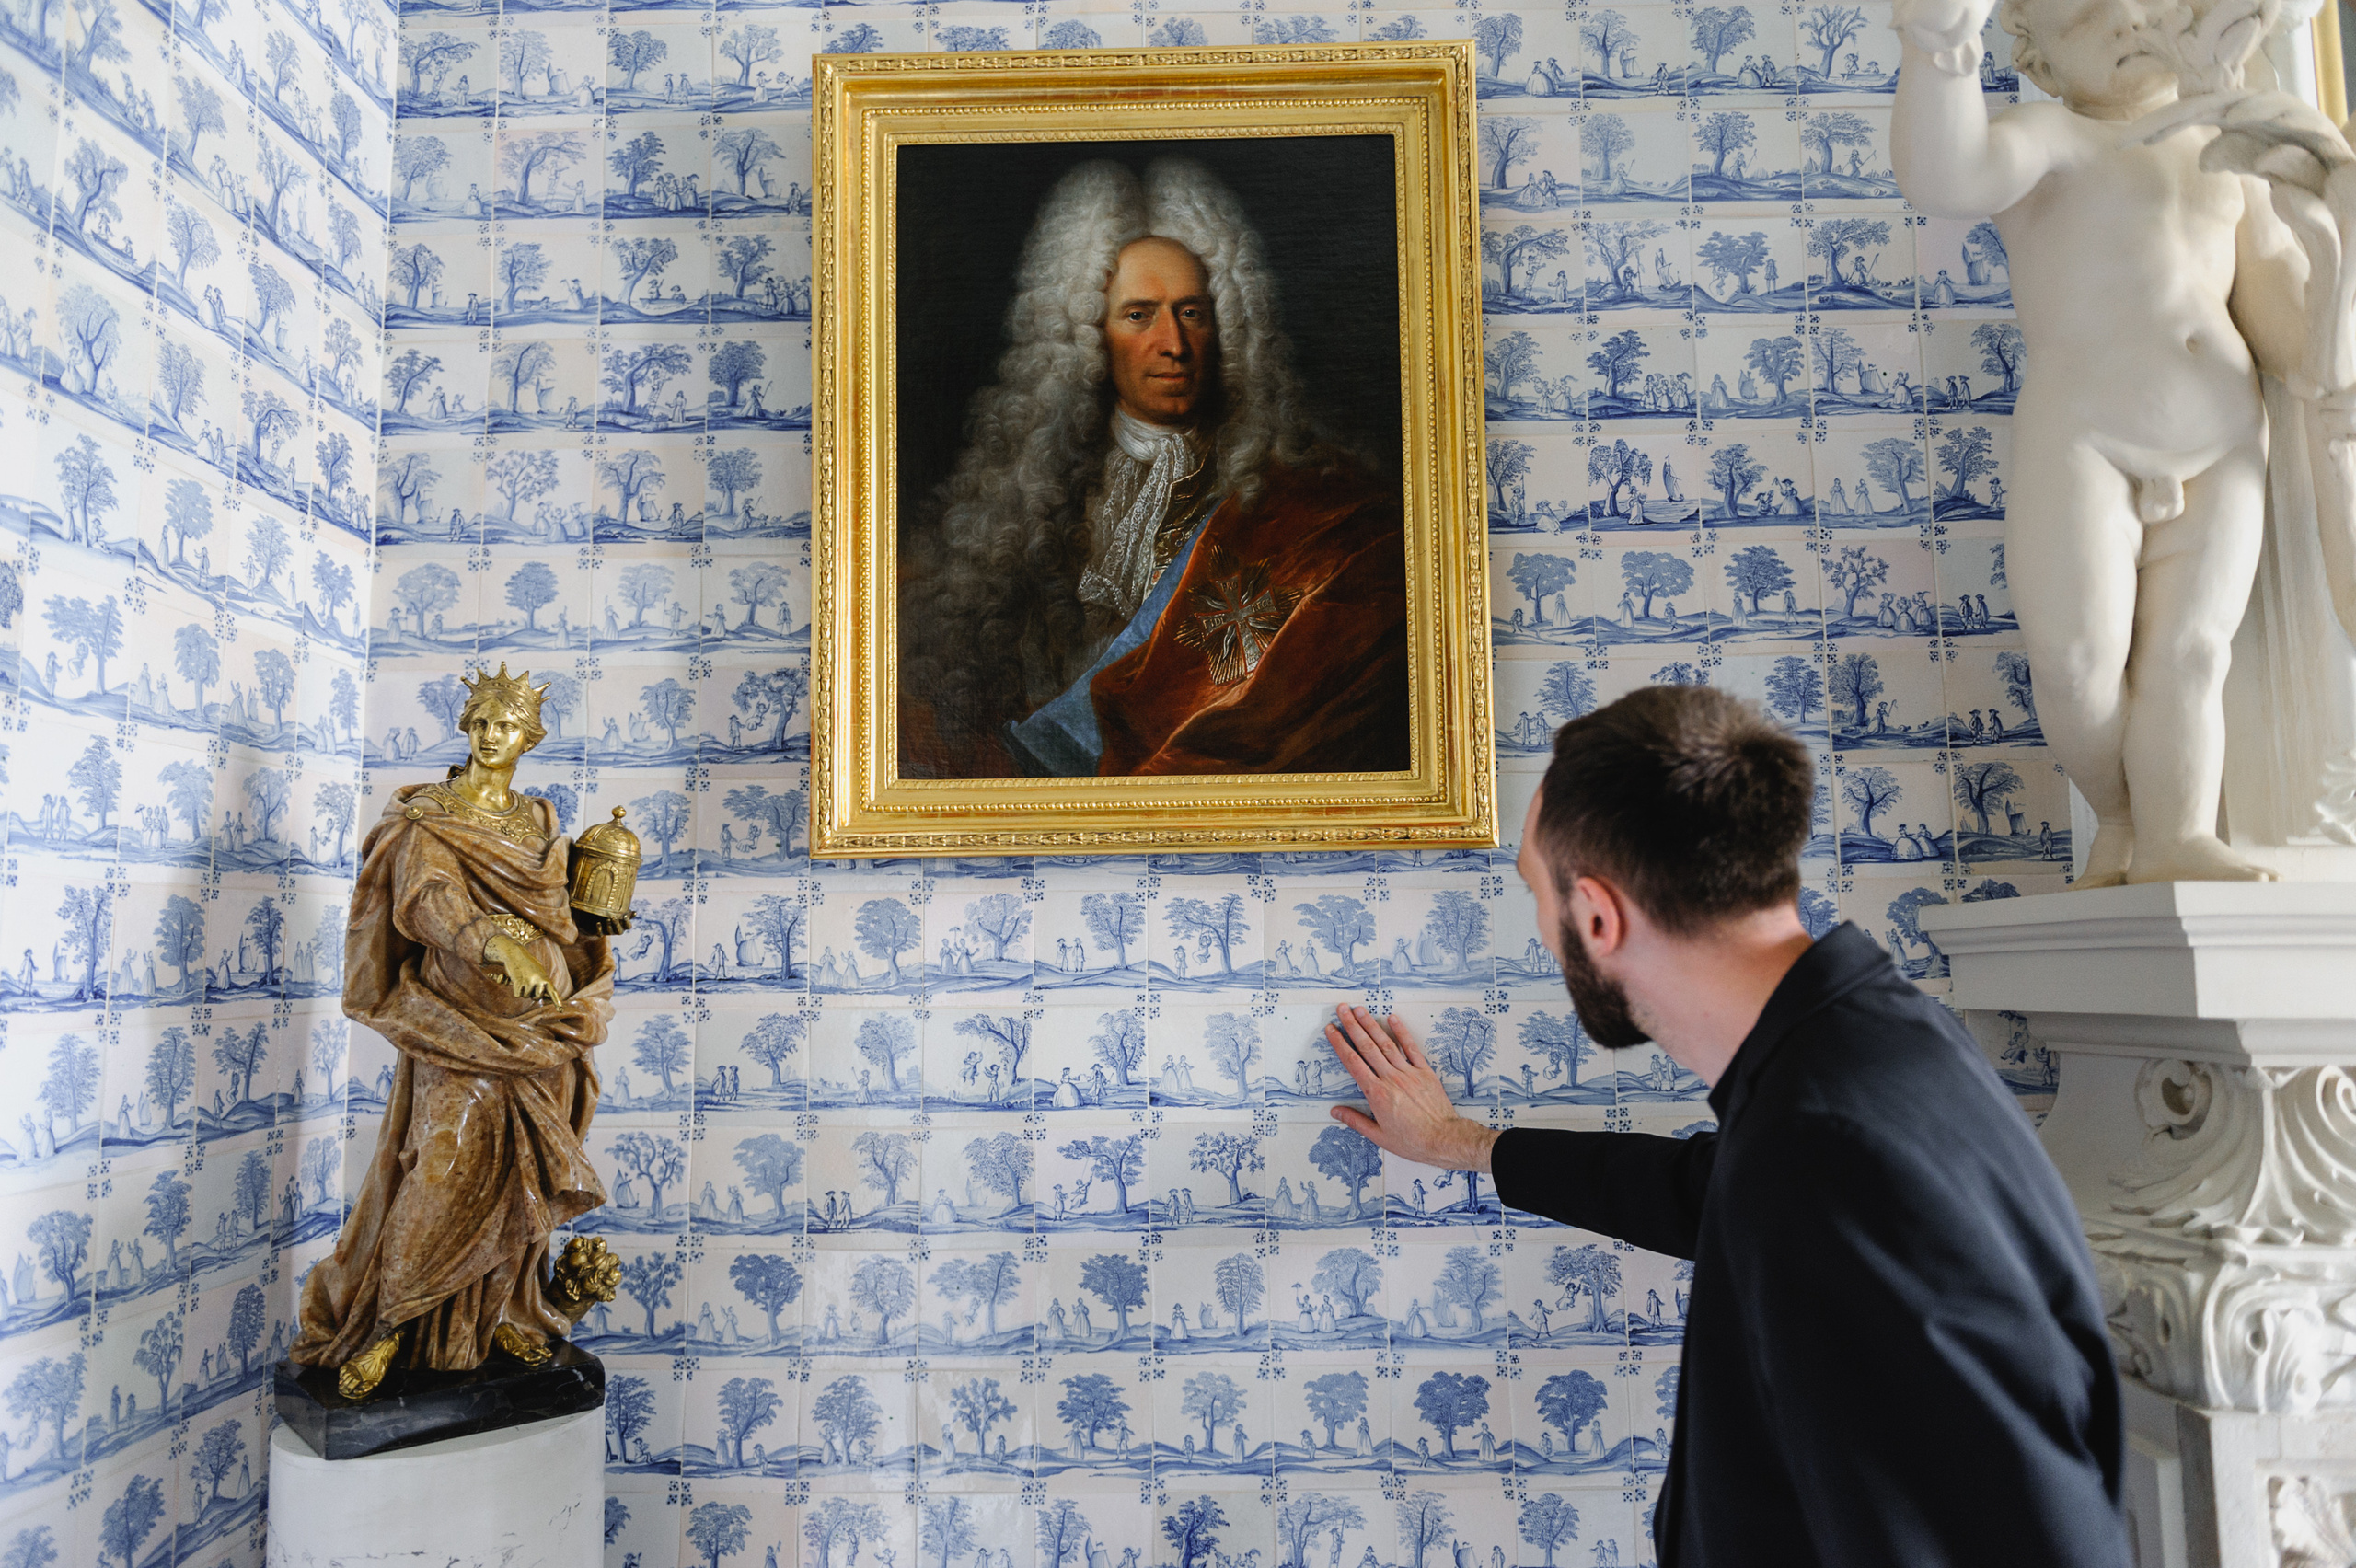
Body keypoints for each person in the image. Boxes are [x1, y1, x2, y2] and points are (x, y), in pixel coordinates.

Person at [1319, 685, 2130, 1567]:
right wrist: (1456, 1142)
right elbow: (1702, 1194)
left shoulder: (1832, 1147)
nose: (1546, 936)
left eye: (1535, 891)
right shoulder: (1845, 1059)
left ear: (1597, 915)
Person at [899, 157, 1407, 778]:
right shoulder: (1027, 507)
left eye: (1192, 312)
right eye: (1139, 315)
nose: (1174, 343)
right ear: (1089, 335)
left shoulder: (1302, 507)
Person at [289, 665, 625, 1399]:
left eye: (505, 725)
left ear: (528, 738)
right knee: (440, 1168)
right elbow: (427, 901)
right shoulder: (429, 815)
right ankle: (388, 1326)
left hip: (545, 1033)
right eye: (479, 720)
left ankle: (502, 1311)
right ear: (466, 727)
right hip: (459, 1028)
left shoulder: (537, 822)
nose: (489, 734)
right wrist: (492, 946)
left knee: (521, 1181)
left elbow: (561, 919)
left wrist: (595, 915)